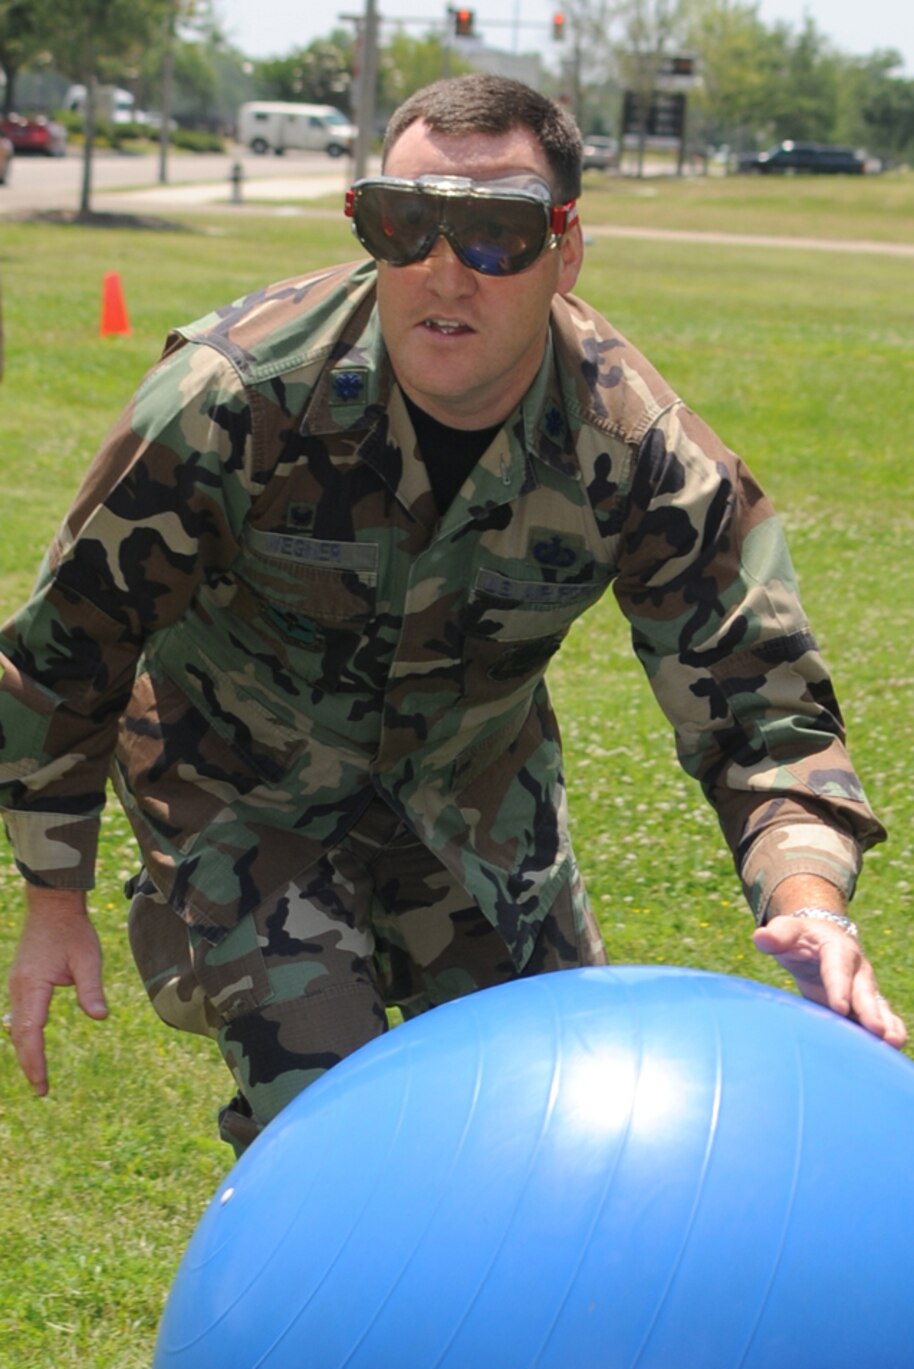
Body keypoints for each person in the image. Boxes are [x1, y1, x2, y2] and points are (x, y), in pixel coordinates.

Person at [0, 76, 904, 1154]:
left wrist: (808, 900)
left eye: (494, 233)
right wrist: (54, 889)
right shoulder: (235, 397)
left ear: (565, 251)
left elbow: (764, 714)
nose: (442, 270)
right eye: (403, 221)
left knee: (560, 1117)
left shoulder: (639, 448)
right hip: (242, 796)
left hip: (476, 803)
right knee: (337, 1126)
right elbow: (71, 642)